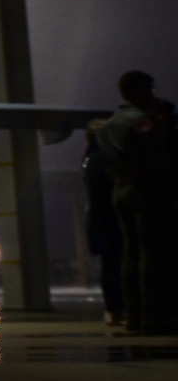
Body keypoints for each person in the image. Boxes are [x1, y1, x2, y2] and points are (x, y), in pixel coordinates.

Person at [96, 71, 178, 334]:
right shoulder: (143, 123)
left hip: (121, 190)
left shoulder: (107, 126)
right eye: (148, 90)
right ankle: (154, 316)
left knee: (131, 253)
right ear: (139, 91)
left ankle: (133, 313)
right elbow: (157, 158)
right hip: (148, 191)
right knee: (153, 254)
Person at [84, 120, 124, 323]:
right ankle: (117, 307)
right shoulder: (104, 160)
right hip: (109, 220)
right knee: (115, 264)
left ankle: (114, 308)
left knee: (110, 265)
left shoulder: (90, 159)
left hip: (99, 220)